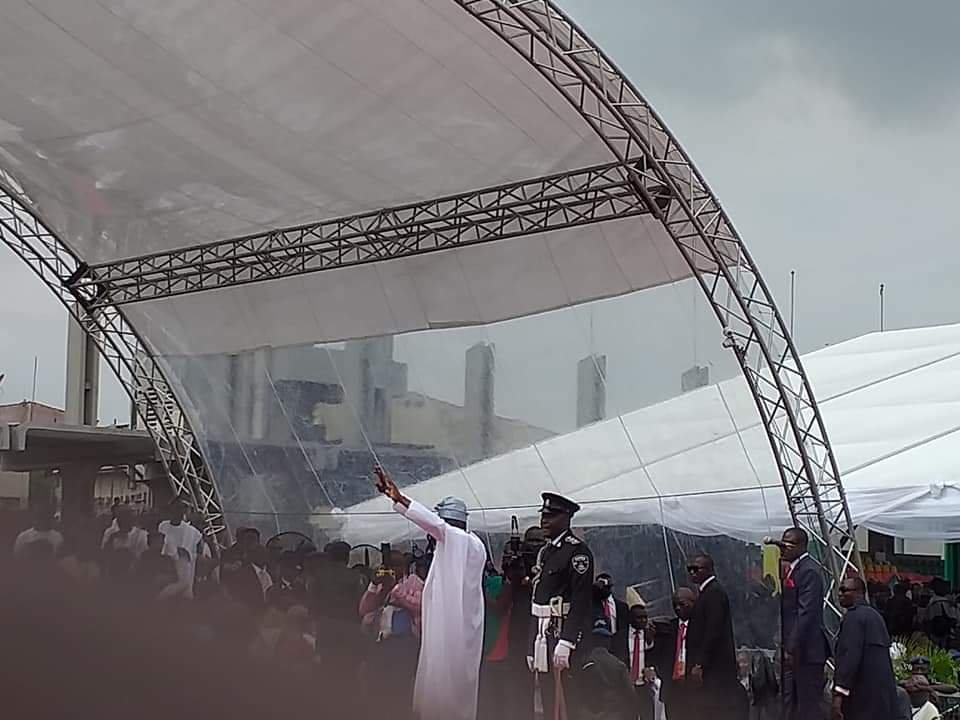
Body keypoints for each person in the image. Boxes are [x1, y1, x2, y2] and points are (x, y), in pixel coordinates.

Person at [373, 465, 487, 720]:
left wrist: (399, 499)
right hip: (450, 627)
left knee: (447, 690)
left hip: (455, 630)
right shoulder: (460, 545)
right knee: (441, 687)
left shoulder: (462, 541)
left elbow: (437, 526)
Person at [528, 492, 595, 720]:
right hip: (543, 635)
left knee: (569, 699)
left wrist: (567, 641)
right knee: (548, 697)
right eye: (543, 515)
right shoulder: (546, 552)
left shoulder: (577, 552)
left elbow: (581, 600)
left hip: (562, 632)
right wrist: (531, 644)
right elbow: (537, 602)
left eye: (551, 516)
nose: (544, 521)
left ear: (566, 518)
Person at [779, 527, 830, 720]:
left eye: (788, 544)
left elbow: (806, 613)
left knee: (808, 705)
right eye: (782, 542)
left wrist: (791, 647)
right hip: (794, 649)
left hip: (806, 651)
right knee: (790, 703)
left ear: (801, 546)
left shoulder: (809, 571)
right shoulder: (793, 570)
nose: (783, 547)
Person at [831, 576, 900, 720]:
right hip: (881, 700)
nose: (840, 594)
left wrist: (839, 695)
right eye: (839, 590)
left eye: (844, 590)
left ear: (859, 592)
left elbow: (849, 659)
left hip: (861, 699)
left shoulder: (854, 618)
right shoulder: (875, 616)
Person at [686, 553, 742, 719]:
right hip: (710, 669)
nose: (692, 573)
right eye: (689, 569)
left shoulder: (714, 593)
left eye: (696, 569)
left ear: (709, 570)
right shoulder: (705, 593)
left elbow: (713, 630)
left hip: (714, 670)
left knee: (714, 710)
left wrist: (700, 663)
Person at [651, 587, 697, 720]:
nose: (677, 608)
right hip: (672, 688)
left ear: (693, 603)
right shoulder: (667, 628)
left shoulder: (700, 627)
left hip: (693, 686)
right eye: (674, 604)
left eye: (682, 604)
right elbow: (657, 654)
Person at [578, 617, 637, 720]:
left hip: (588, 714)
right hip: (614, 714)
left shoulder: (583, 663)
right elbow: (630, 694)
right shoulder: (619, 665)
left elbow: (577, 691)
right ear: (608, 640)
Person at [157, 499, 203, 600]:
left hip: (184, 565)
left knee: (185, 586)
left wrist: (186, 554)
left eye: (180, 510)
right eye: (175, 509)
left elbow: (199, 548)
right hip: (165, 562)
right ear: (170, 510)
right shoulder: (163, 526)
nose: (177, 513)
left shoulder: (191, 531)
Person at [623, 587, 657, 720]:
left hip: (644, 686)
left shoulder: (650, 635)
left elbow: (654, 658)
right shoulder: (620, 637)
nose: (643, 621)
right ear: (631, 618)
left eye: (645, 618)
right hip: (626, 687)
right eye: (639, 618)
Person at [595, 572, 630, 663]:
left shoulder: (622, 607)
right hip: (599, 647)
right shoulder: (592, 606)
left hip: (618, 649)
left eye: (607, 587)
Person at [922, 578, 958, 649]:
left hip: (936, 636)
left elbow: (926, 620)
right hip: (945, 635)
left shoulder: (933, 602)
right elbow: (954, 619)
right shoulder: (948, 603)